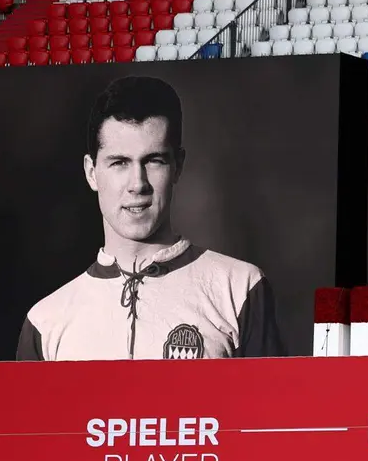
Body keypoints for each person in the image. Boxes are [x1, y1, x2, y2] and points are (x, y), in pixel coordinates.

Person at [17, 76, 284, 361]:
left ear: (178, 166)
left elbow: (272, 405)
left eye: (154, 161)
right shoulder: (45, 323)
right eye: (119, 163)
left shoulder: (240, 289)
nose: (138, 184)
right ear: (91, 172)